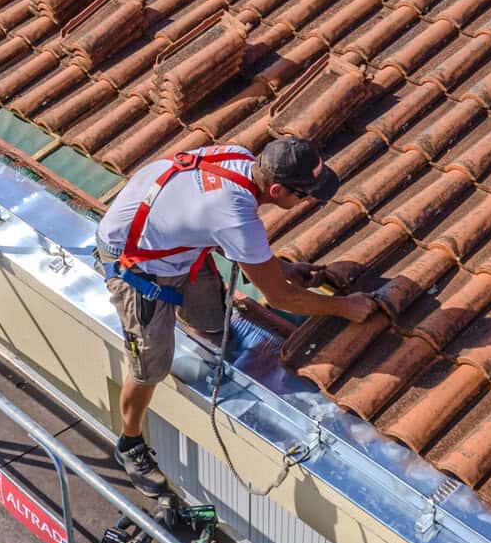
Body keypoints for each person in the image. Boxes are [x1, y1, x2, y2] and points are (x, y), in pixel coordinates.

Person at [95, 136, 377, 495]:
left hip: (165, 238)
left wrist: (282, 268)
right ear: (276, 190)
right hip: (135, 263)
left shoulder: (238, 157)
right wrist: (345, 307)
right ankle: (129, 443)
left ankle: (193, 327)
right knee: (150, 365)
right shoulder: (234, 214)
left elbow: (214, 222)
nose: (308, 201)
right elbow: (280, 298)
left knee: (212, 320)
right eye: (304, 195)